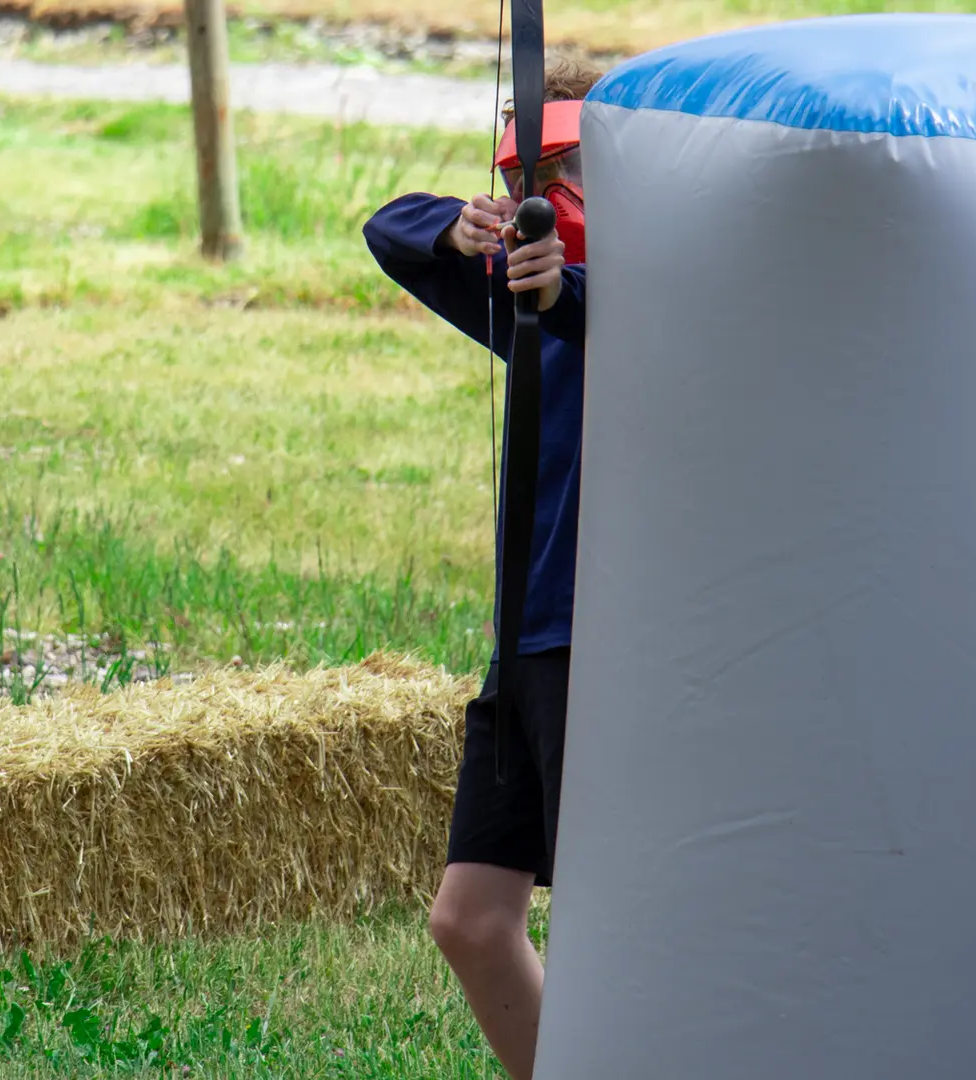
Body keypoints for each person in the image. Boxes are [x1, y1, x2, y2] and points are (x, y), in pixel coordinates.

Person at [360, 60, 598, 1080]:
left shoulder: (668, 305)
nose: (538, 201)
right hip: (525, 645)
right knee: (469, 918)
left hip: (598, 643)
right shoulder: (526, 305)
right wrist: (462, 232)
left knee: (610, 930)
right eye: (521, 179)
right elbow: (388, 227)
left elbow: (618, 311)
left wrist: (573, 288)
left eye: (565, 177)